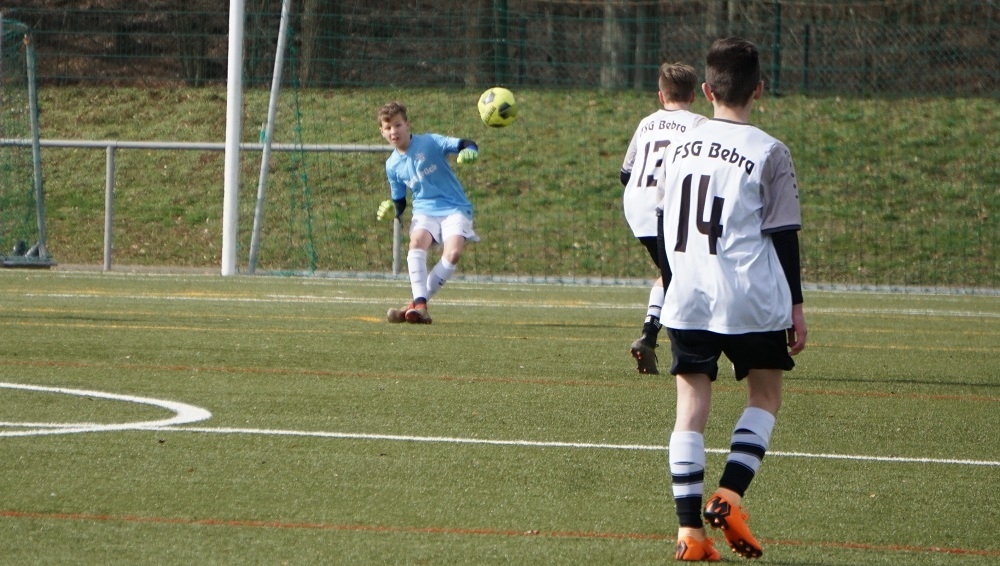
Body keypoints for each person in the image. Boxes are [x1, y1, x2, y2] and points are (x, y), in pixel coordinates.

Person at [654, 38, 807, 561]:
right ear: (758, 90)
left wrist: (671, 279)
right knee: (764, 397)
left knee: (690, 409)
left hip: (687, 293)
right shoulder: (769, 150)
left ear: (706, 90)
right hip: (749, 296)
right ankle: (729, 495)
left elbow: (662, 221)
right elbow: (784, 235)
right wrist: (796, 305)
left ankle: (689, 534)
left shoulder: (678, 145)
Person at [620, 62, 708, 375]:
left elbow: (625, 173)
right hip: (669, 208)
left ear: (661, 95)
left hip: (637, 207)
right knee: (687, 276)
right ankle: (685, 344)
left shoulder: (646, 123)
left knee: (672, 273)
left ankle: (650, 334)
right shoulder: (698, 124)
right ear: (694, 95)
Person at [376, 101, 480, 324]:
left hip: (455, 207)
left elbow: (465, 143)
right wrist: (392, 210)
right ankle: (420, 306)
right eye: (388, 127)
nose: (393, 131)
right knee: (416, 243)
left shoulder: (430, 142)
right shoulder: (392, 165)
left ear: (407, 124)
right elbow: (399, 201)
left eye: (397, 125)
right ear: (382, 132)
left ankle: (414, 305)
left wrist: (471, 151)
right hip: (424, 210)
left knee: (453, 254)